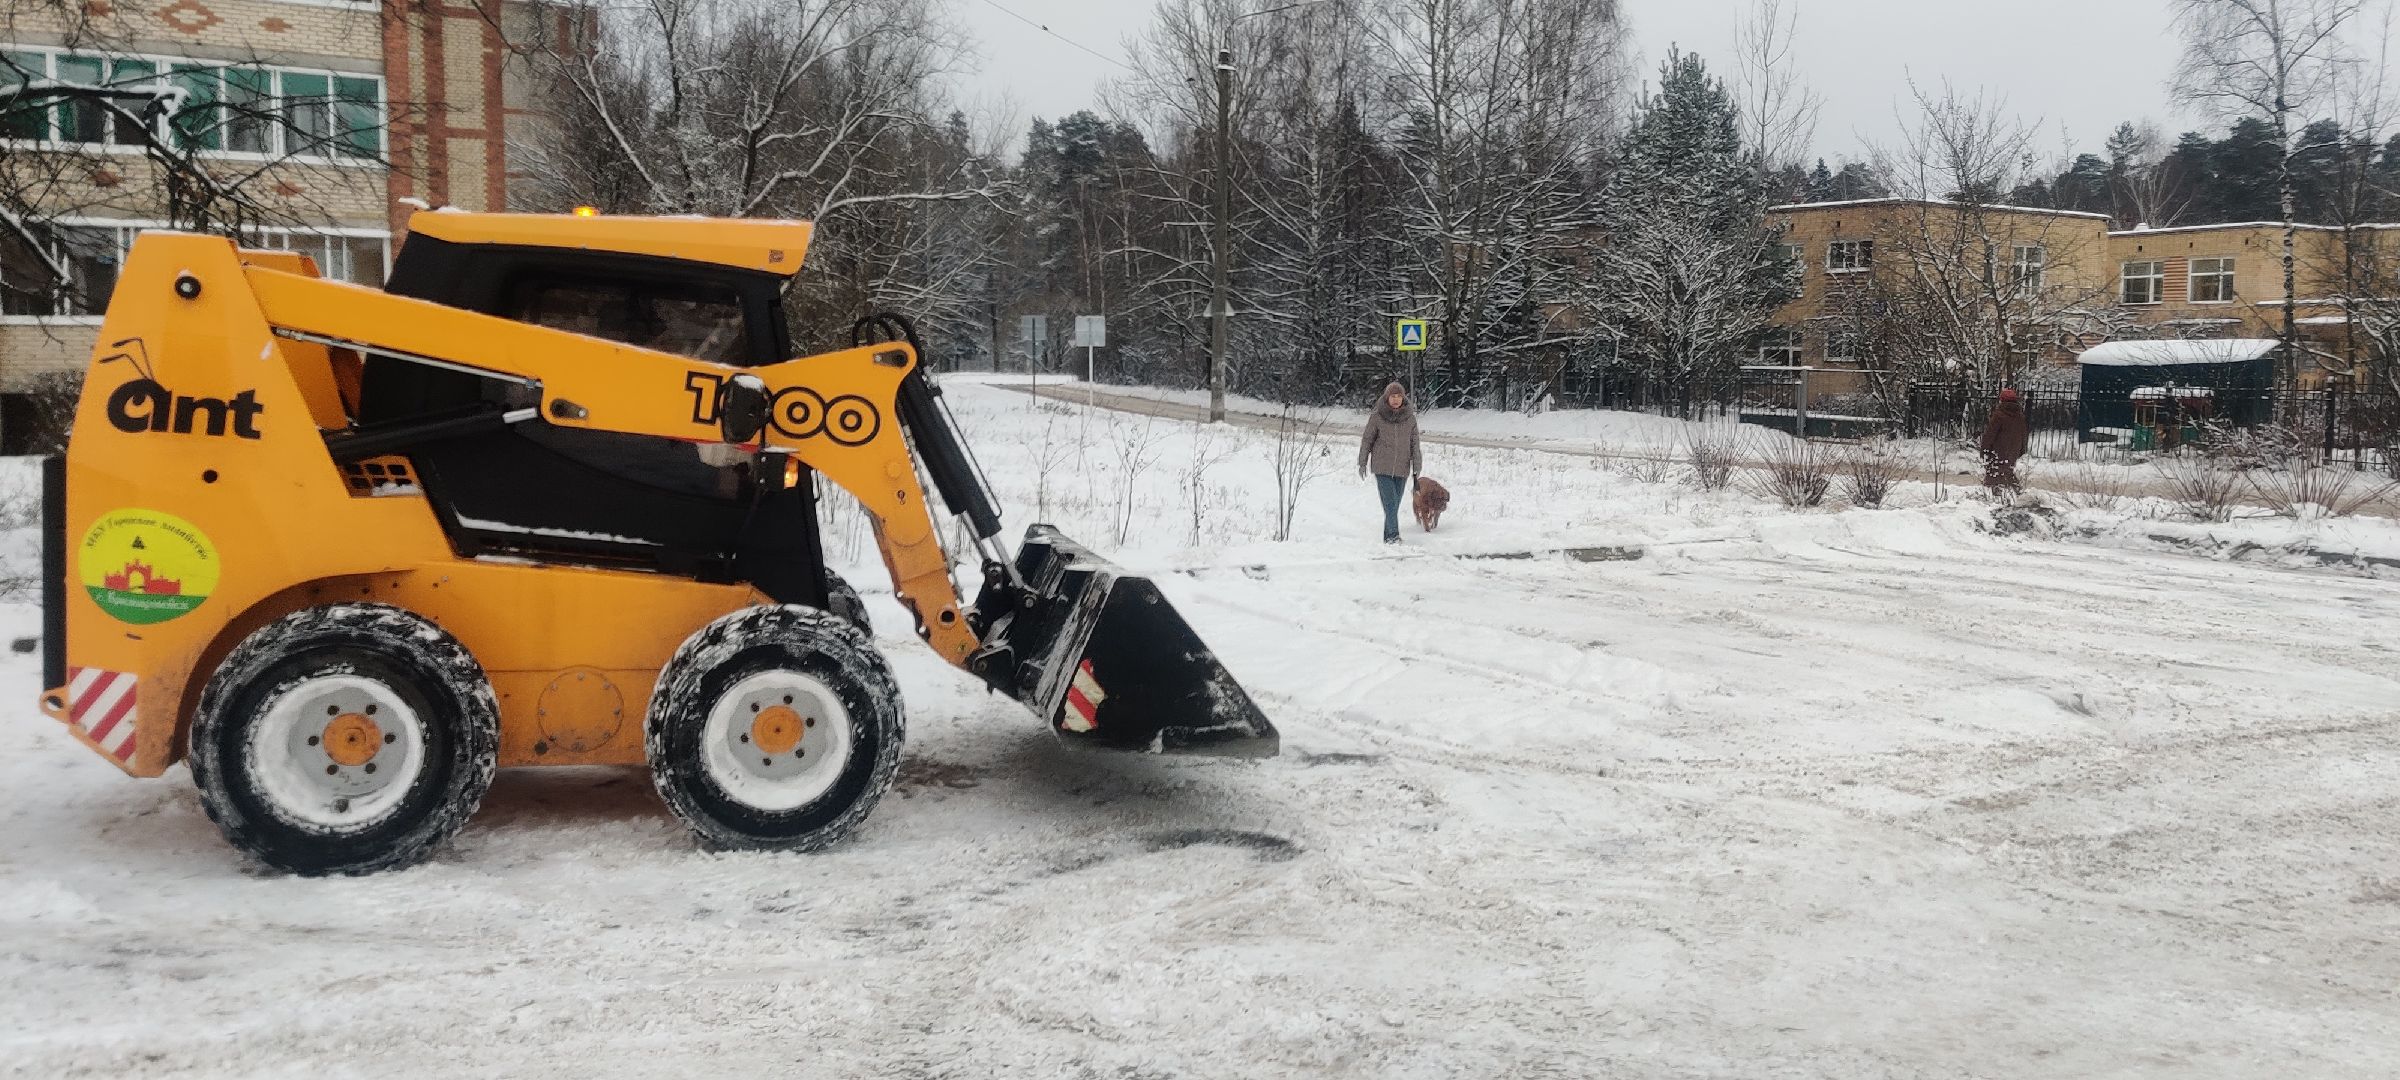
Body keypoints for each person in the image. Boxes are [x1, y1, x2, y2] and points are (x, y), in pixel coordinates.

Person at [1358, 381, 1422, 543]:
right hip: (1382, 467)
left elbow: (1415, 443)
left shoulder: (1410, 419)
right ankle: (1393, 536)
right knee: (1391, 504)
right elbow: (1367, 439)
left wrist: (1417, 466)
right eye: (1393, 396)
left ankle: (1388, 537)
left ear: (1403, 398)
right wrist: (1362, 462)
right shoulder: (1377, 416)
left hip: (1402, 467)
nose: (1396, 400)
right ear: (1387, 397)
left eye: (1399, 396)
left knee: (1393, 505)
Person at [1979, 388, 2029, 495]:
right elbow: (2024, 435)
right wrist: (2021, 450)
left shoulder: (1999, 415)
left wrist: (1984, 449)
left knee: (1993, 474)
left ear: (2002, 400)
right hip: (2013, 451)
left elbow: (1990, 434)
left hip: (1997, 450)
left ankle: (1994, 496)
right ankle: (2016, 492)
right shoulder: (2020, 416)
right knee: (2007, 472)